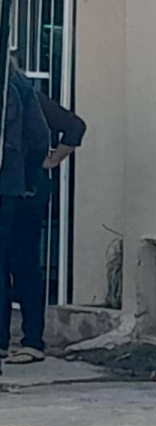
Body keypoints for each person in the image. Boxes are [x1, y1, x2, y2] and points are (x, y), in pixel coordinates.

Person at [1, 85, 86, 364]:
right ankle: (17, 342)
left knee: (23, 265)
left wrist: (46, 163)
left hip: (25, 192)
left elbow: (73, 127)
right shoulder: (22, 90)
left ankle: (32, 342)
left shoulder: (22, 92)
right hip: (18, 190)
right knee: (14, 265)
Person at [0, 62, 50, 361]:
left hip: (16, 187)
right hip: (19, 184)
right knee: (20, 264)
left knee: (22, 264)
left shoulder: (13, 85)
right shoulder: (17, 82)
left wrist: (28, 179)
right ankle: (26, 340)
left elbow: (38, 135)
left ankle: (30, 340)